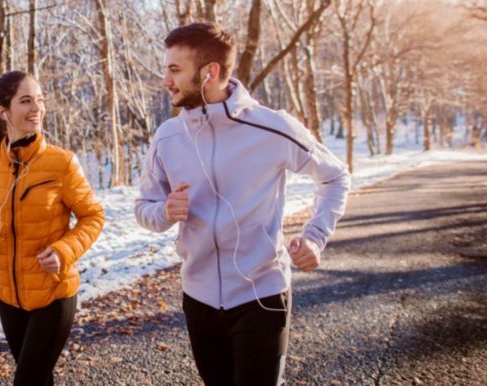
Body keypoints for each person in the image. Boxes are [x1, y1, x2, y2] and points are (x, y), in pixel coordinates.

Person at [134, 23, 351, 385]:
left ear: (210, 72)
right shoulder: (168, 137)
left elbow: (335, 176)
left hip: (261, 295)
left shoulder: (272, 128)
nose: (165, 81)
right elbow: (145, 207)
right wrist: (165, 211)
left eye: (175, 69)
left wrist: (315, 237)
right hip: (198, 298)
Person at [0, 71, 105, 386]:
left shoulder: (61, 163)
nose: (37, 108)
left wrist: (64, 251)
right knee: (38, 378)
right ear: (3, 112)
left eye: (40, 100)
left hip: (54, 292)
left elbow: (93, 216)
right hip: (8, 297)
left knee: (27, 380)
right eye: (26, 101)